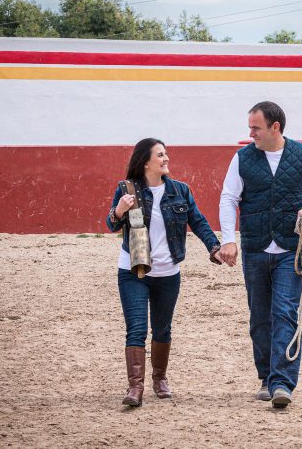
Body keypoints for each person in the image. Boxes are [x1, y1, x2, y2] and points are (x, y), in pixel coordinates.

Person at [218, 101, 302, 409]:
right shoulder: (242, 158)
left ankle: (281, 382)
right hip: (255, 247)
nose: (250, 133)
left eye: (255, 127)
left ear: (275, 127)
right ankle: (266, 376)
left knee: (284, 312)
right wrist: (228, 239)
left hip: (290, 248)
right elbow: (229, 198)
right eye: (249, 127)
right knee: (259, 317)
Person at [106, 138, 222, 407]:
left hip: (169, 273)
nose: (166, 158)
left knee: (162, 329)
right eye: (160, 155)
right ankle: (135, 387)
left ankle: (159, 379)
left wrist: (214, 248)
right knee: (136, 329)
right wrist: (119, 210)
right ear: (146, 162)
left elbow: (198, 222)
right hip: (133, 271)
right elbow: (111, 224)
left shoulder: (180, 191)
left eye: (166, 153)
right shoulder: (127, 189)